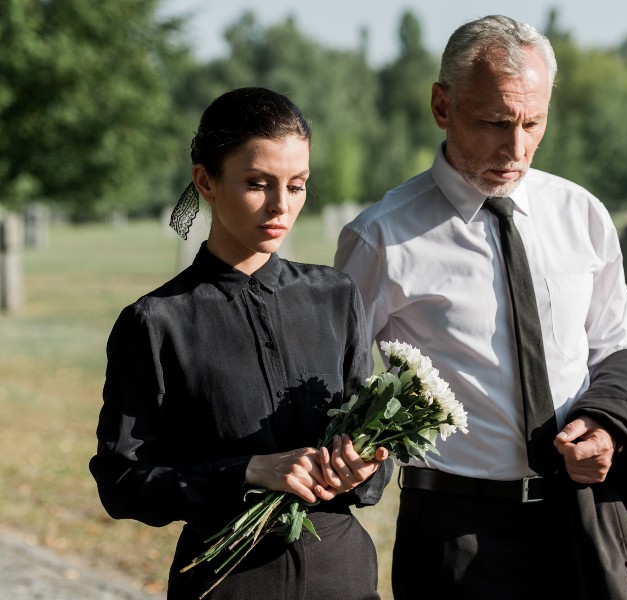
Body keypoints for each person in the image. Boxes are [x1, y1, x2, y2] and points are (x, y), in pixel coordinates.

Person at [334, 15, 627, 599]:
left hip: (586, 514)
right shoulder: (381, 238)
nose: (516, 147)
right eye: (495, 122)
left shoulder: (581, 214)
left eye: (533, 122)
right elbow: (336, 383)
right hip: (457, 532)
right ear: (442, 107)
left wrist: (607, 429)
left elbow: (617, 347)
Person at [90, 87, 392, 600]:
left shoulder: (336, 296)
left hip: (344, 573)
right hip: (227, 582)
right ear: (205, 180)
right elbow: (121, 482)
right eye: (258, 184)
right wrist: (247, 472)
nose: (281, 206)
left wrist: (362, 467)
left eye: (297, 186)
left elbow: (374, 453)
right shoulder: (156, 322)